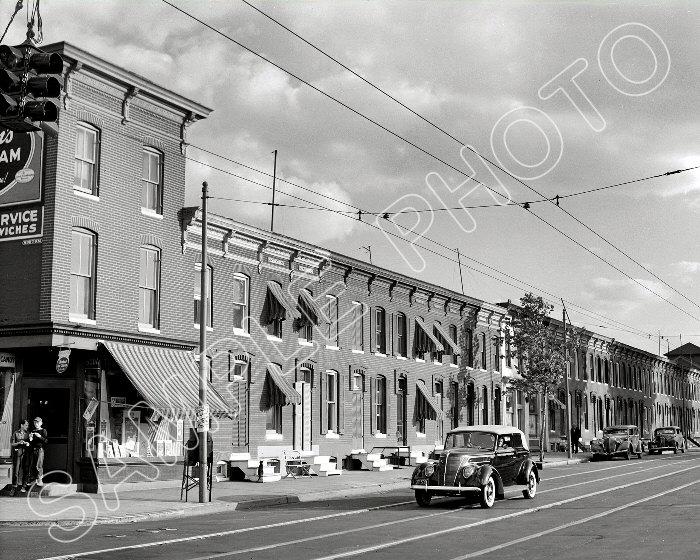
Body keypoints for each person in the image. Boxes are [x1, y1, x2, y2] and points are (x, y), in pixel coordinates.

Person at [9, 419, 30, 496]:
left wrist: (27, 442)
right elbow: (12, 444)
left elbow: (31, 443)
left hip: (25, 453)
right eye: (26, 425)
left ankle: (24, 486)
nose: (27, 426)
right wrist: (19, 442)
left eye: (27, 425)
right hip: (17, 453)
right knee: (16, 470)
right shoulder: (16, 433)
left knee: (26, 469)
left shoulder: (28, 433)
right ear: (22, 425)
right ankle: (14, 487)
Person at [28, 416, 48, 486]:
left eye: (37, 422)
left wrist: (39, 436)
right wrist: (30, 438)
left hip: (40, 449)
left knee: (38, 465)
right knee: (33, 464)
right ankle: (34, 479)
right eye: (35, 422)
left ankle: (40, 480)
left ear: (41, 423)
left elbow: (46, 441)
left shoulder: (43, 431)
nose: (36, 424)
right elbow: (31, 442)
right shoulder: (33, 431)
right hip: (33, 449)